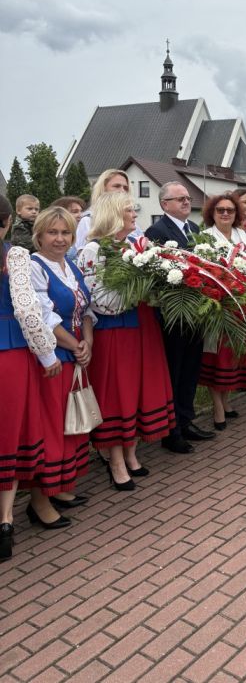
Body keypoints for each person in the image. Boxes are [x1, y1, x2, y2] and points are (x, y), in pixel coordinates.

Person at [78, 192, 175, 489]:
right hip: (113, 331)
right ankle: (116, 461)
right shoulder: (93, 249)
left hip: (141, 328)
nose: (134, 215)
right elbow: (96, 300)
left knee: (136, 391)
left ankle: (131, 453)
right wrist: (137, 293)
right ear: (113, 214)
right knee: (116, 395)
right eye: (129, 210)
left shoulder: (134, 245)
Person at [0, 195, 61, 560]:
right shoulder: (16, 256)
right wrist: (46, 353)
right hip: (10, 353)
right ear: (8, 221)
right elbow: (27, 309)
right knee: (9, 436)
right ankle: (5, 520)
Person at [30, 207, 94, 517]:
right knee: (51, 426)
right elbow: (43, 315)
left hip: (76, 353)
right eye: (52, 232)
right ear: (39, 235)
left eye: (65, 232)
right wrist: (75, 344)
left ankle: (61, 485)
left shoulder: (70, 265)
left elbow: (87, 309)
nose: (59, 238)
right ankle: (39, 500)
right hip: (53, 357)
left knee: (70, 423)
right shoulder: (35, 266)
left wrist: (88, 341)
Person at [145, 181, 214, 452]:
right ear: (165, 204)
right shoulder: (157, 232)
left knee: (190, 370)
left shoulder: (194, 229)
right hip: (174, 317)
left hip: (196, 314)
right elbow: (157, 275)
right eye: (180, 199)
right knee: (174, 372)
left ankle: (186, 420)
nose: (187, 202)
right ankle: (171, 431)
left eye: (187, 198)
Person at [198, 192, 246, 427]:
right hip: (218, 306)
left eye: (230, 210)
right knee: (218, 359)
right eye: (220, 210)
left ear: (236, 213)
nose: (225, 213)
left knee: (234, 357)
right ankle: (217, 407)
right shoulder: (205, 237)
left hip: (242, 306)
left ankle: (226, 401)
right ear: (212, 213)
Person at [75, 169, 134, 252]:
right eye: (117, 186)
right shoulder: (88, 220)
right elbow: (85, 254)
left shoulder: (131, 222)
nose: (122, 191)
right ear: (103, 189)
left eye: (126, 188)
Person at [51, 196, 87, 261]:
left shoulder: (81, 233)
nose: (80, 215)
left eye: (81, 211)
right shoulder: (53, 236)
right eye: (75, 212)